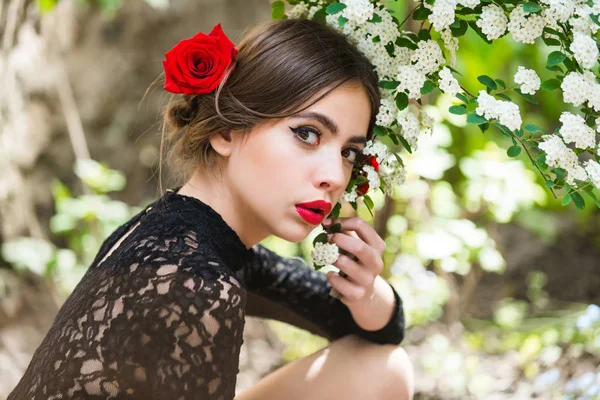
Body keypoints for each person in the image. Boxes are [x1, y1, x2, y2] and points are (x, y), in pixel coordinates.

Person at [9, 18, 414, 400]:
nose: (334, 176)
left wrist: (364, 289)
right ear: (226, 130)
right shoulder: (192, 277)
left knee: (382, 368)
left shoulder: (188, 231)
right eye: (307, 134)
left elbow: (374, 332)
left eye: (348, 152)